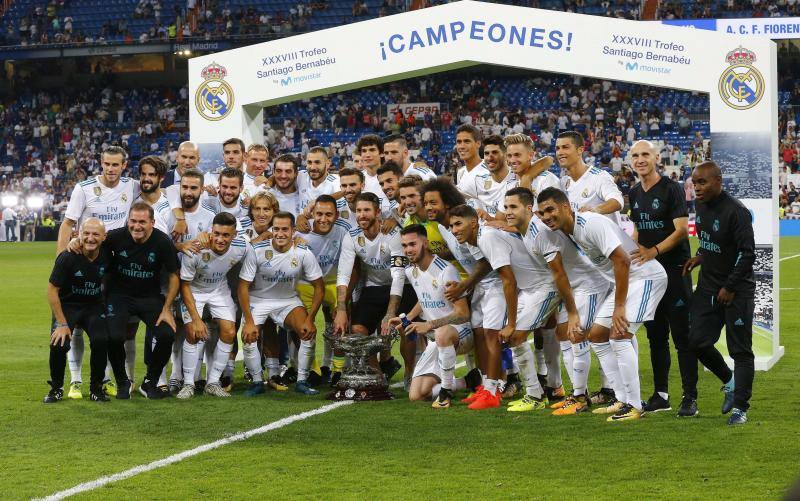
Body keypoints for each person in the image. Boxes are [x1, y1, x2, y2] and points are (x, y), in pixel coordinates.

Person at [537, 187, 668, 422]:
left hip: (646, 277)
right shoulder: (571, 230)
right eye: (542, 213)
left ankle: (635, 406)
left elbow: (622, 260)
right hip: (628, 281)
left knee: (619, 335)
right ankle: (621, 398)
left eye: (551, 209)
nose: (547, 216)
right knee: (597, 335)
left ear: (566, 207)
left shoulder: (591, 224)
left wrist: (618, 307)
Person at [628, 140, 698, 417]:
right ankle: (661, 395)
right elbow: (637, 230)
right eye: (635, 156)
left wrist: (653, 251)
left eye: (645, 154)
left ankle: (690, 397)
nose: (640, 159)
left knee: (683, 338)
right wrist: (632, 253)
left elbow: (682, 230)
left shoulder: (672, 188)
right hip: (648, 275)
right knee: (656, 338)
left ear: (657, 158)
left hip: (674, 270)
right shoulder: (633, 193)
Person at [58, 146, 135, 397]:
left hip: (115, 265)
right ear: (100, 163)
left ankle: (107, 378)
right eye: (107, 164)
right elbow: (68, 223)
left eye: (116, 165)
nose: (111, 169)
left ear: (124, 165)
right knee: (78, 325)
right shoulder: (84, 188)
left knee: (107, 325)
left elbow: (159, 193)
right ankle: (76, 380)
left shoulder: (131, 187)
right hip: (86, 258)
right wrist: (63, 260)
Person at [683, 161, 756, 426]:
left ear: (718, 181)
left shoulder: (737, 212)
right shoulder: (700, 206)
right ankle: (729, 382)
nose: (696, 188)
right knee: (696, 341)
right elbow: (712, 243)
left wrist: (730, 286)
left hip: (736, 292)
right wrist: (700, 257)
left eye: (702, 182)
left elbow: (747, 253)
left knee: (740, 351)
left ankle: (740, 409)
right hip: (708, 287)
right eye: (694, 182)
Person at [555, 131, 624, 404]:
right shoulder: (564, 183)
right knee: (600, 332)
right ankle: (608, 390)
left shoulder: (598, 177)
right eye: (557, 148)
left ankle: (591, 394)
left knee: (593, 331)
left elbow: (617, 201)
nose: (560, 152)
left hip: (607, 265)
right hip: (586, 266)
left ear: (580, 149)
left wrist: (595, 210)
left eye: (566, 147)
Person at [239, 211, 326, 395]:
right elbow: (242, 287)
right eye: (276, 229)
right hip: (258, 300)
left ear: (293, 230)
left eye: (285, 229)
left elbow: (319, 287)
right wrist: (248, 321)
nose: (280, 233)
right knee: (248, 335)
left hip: (288, 301)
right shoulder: (257, 250)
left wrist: (310, 318)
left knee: (307, 331)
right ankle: (256, 382)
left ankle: (302, 380)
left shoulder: (303, 253)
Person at [388, 224, 474, 409]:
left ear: (425, 243)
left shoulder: (446, 270)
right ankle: (467, 381)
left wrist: (430, 324)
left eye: (412, 244)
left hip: (460, 332)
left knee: (442, 333)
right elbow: (424, 297)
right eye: (404, 245)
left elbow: (463, 313)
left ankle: (446, 392)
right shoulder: (412, 271)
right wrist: (410, 317)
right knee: (416, 394)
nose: (408, 250)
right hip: (437, 337)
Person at [101, 202, 180, 399]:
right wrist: (74, 242)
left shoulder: (162, 242)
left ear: (152, 222)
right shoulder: (114, 237)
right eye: (133, 221)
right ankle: (122, 382)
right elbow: (90, 247)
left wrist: (167, 309)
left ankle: (150, 382)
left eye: (142, 222)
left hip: (149, 297)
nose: (137, 226)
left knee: (166, 334)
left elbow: (174, 276)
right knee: (114, 337)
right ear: (128, 220)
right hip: (119, 296)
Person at [46, 218, 125, 403]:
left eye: (95, 234)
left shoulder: (108, 256)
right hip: (68, 305)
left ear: (104, 237)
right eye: (86, 233)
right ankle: (56, 388)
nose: (90, 238)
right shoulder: (68, 256)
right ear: (78, 234)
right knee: (59, 342)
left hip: (93, 305)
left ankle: (96, 389)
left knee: (101, 340)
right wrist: (62, 323)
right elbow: (51, 291)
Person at [177, 212, 249, 398]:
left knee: (230, 332)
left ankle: (213, 382)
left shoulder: (242, 246)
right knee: (193, 331)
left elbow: (259, 244)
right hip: (193, 290)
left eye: (226, 235)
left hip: (219, 290)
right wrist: (196, 319)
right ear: (211, 231)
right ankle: (188, 384)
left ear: (234, 236)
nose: (220, 239)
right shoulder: (196, 249)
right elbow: (184, 285)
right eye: (216, 233)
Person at [334, 192, 405, 379]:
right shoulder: (352, 236)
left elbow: (398, 275)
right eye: (358, 211)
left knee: (406, 328)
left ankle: (410, 375)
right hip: (373, 287)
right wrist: (341, 308)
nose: (362, 215)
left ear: (378, 212)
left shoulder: (392, 234)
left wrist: (390, 313)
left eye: (366, 210)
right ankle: (378, 376)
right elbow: (343, 274)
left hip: (401, 288)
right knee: (357, 329)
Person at [295, 195, 352, 384]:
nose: (323, 219)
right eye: (319, 214)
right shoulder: (300, 231)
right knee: (303, 327)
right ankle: (313, 370)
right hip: (306, 284)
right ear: (312, 213)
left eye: (329, 214)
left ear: (337, 215)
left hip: (334, 283)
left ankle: (337, 370)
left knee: (339, 323)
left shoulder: (345, 230)